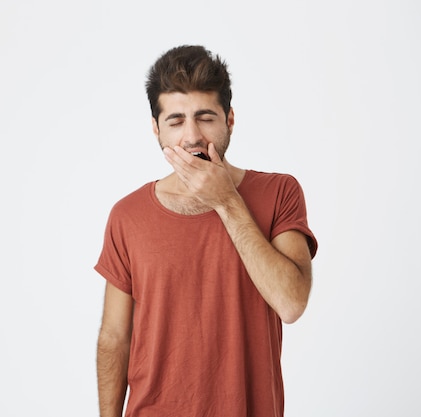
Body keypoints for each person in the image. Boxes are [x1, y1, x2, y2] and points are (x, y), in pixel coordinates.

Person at [95, 45, 318, 417]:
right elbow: (114, 338)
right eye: (176, 121)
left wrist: (227, 202)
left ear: (230, 119)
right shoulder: (127, 215)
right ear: (156, 129)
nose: (192, 136)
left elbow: (291, 303)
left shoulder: (280, 193)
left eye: (205, 117)